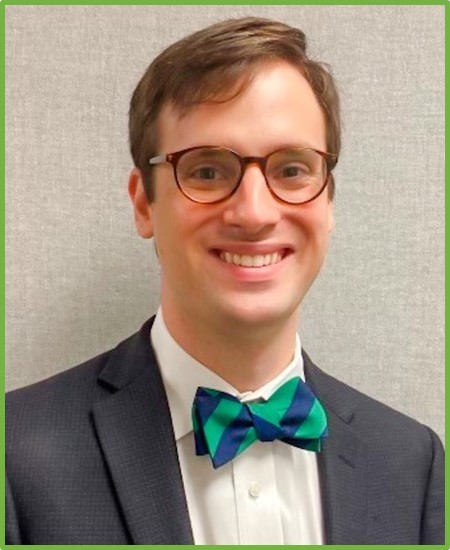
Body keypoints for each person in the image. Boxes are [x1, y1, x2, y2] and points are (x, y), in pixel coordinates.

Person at [6, 17, 444, 545]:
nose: (254, 213)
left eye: (292, 170)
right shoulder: (14, 453)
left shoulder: (412, 463)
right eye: (207, 171)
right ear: (144, 204)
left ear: (329, 202)